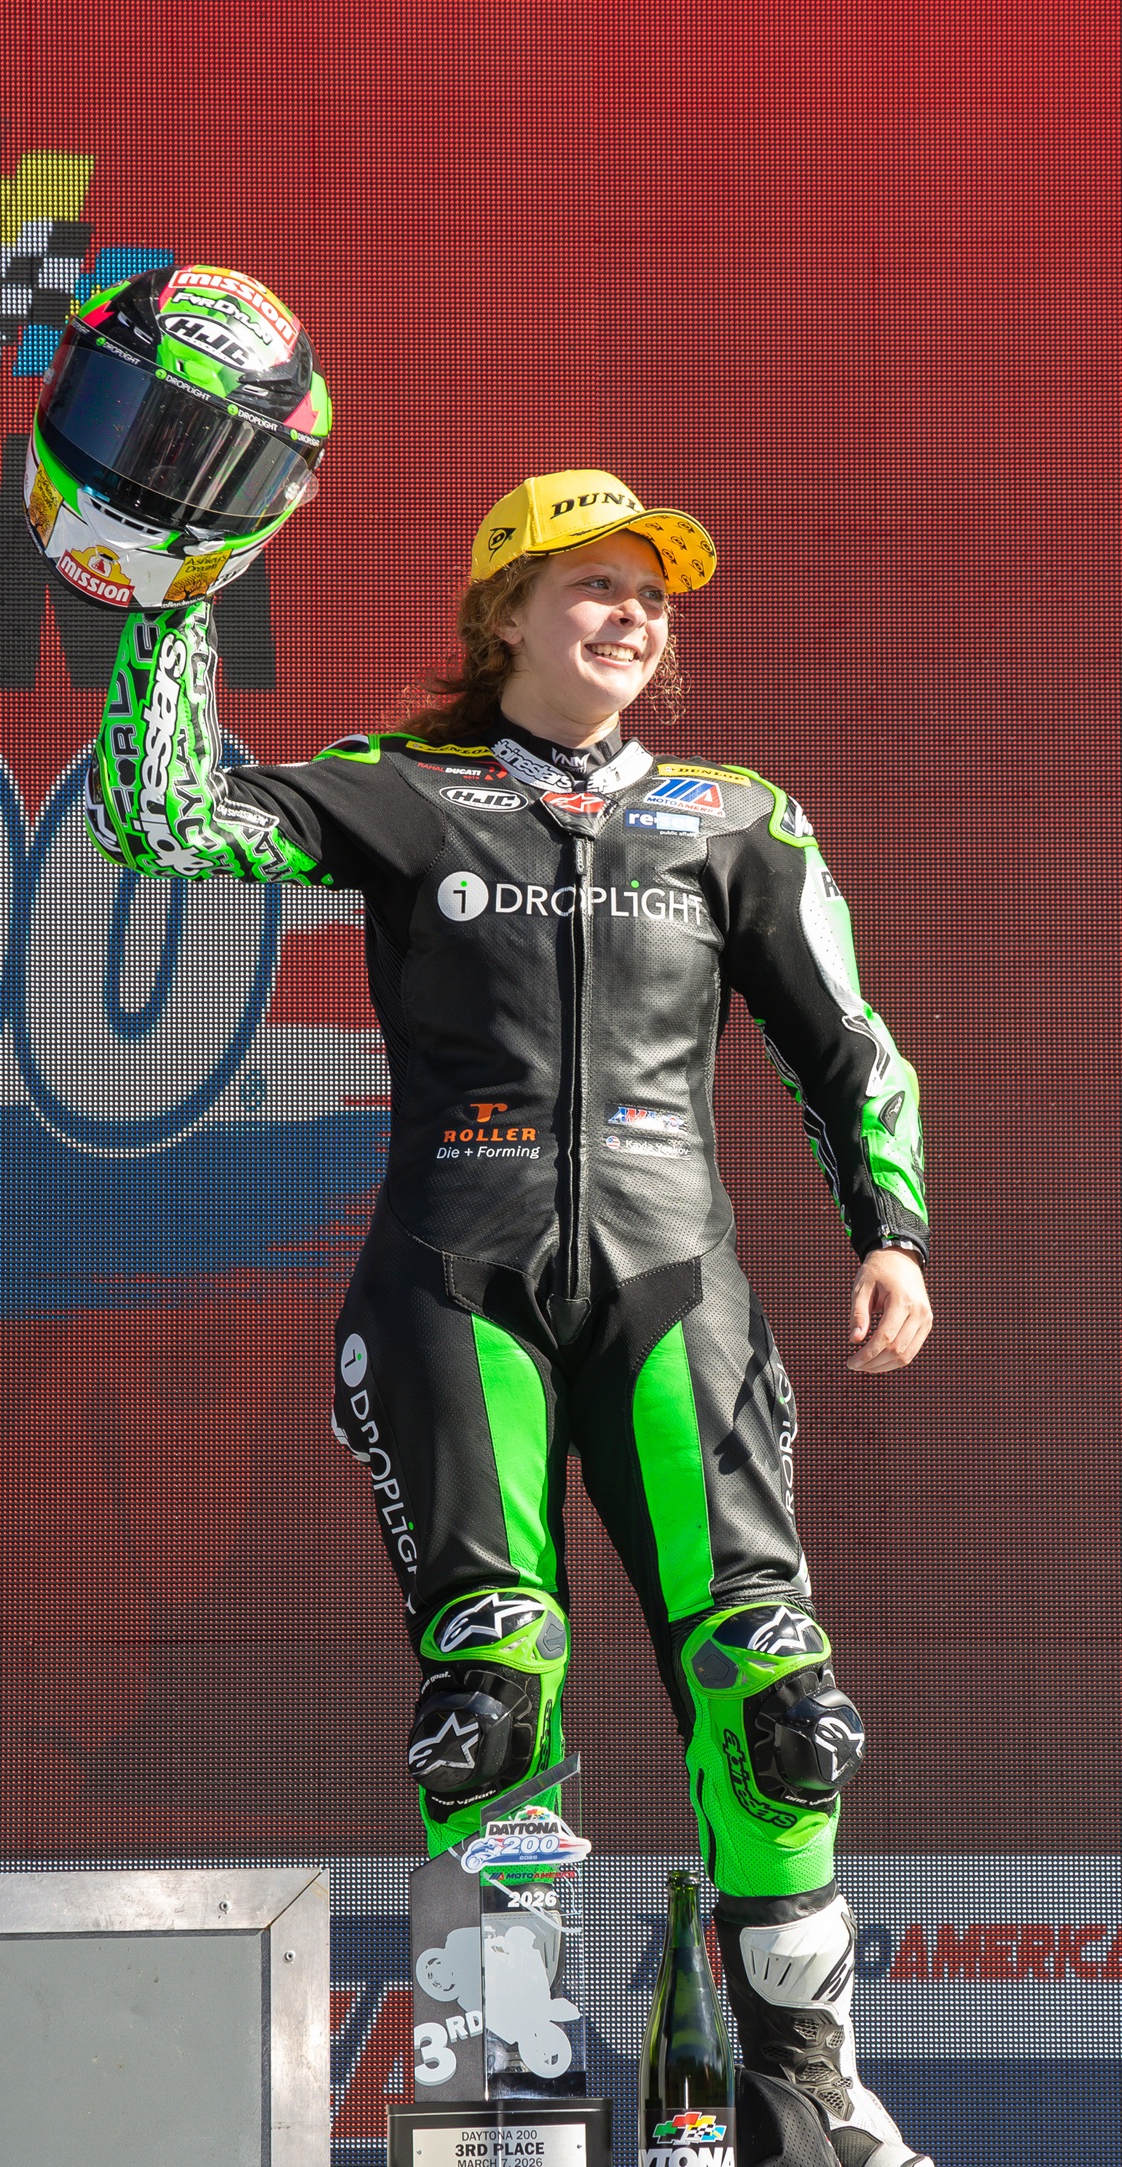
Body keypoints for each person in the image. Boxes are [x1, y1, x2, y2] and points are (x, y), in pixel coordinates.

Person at [83, 466, 934, 2167]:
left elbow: (848, 1043)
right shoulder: (412, 790)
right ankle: (500, 2104)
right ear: (505, 616)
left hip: (675, 1288)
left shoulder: (735, 818)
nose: (633, 618)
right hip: (452, 1288)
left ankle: (809, 2102)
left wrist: (891, 1231)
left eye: (652, 597)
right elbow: (160, 820)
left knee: (778, 1700)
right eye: (594, 587)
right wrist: (172, 599)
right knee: (494, 1691)